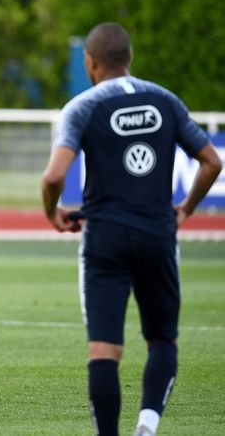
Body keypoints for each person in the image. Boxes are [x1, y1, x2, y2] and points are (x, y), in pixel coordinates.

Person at [41, 23, 222, 436]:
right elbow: (212, 161)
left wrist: (53, 213)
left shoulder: (82, 106)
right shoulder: (165, 100)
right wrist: (185, 210)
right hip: (159, 233)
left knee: (105, 348)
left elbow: (53, 177)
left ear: (90, 62)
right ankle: (147, 425)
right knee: (162, 340)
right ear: (131, 58)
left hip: (104, 237)